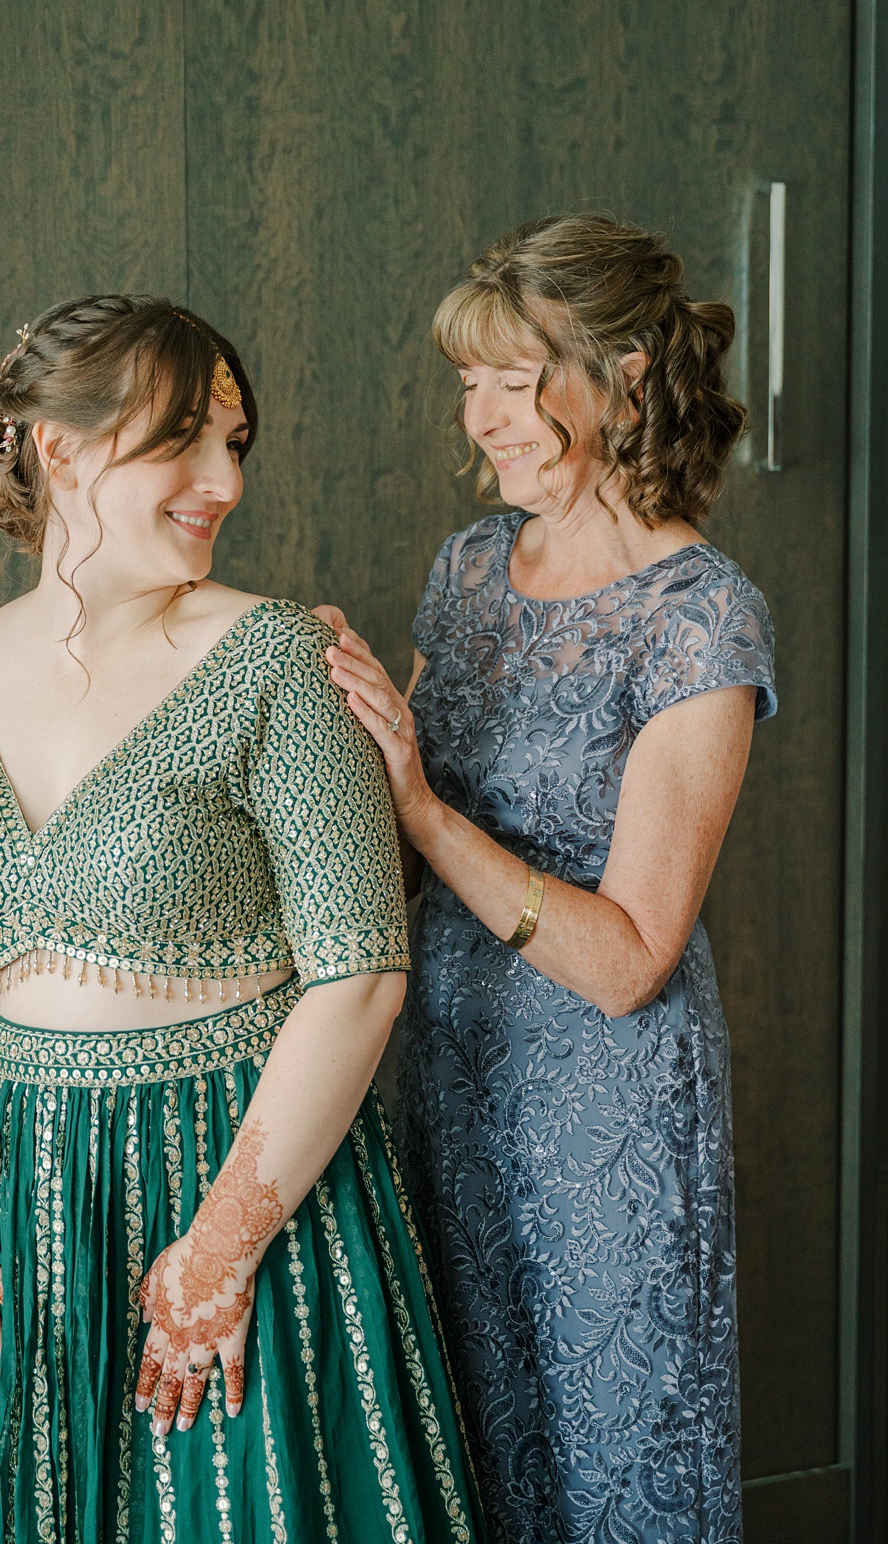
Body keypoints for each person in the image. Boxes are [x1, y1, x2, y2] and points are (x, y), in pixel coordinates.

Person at [0, 296, 481, 1543]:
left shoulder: (278, 662)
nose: (222, 480)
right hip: (15, 1196)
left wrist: (217, 1250)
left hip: (237, 1173)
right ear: (59, 447)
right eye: (182, 440)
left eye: (236, 444)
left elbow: (359, 978)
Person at [317, 216, 773, 1544]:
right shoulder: (467, 568)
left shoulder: (703, 617)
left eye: (514, 380)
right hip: (454, 1079)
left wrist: (418, 802)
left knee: (615, 1460)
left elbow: (631, 960)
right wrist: (323, 741)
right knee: (472, 1453)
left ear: (626, 378)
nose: (484, 416)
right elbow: (401, 852)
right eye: (472, 381)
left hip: (610, 1111)